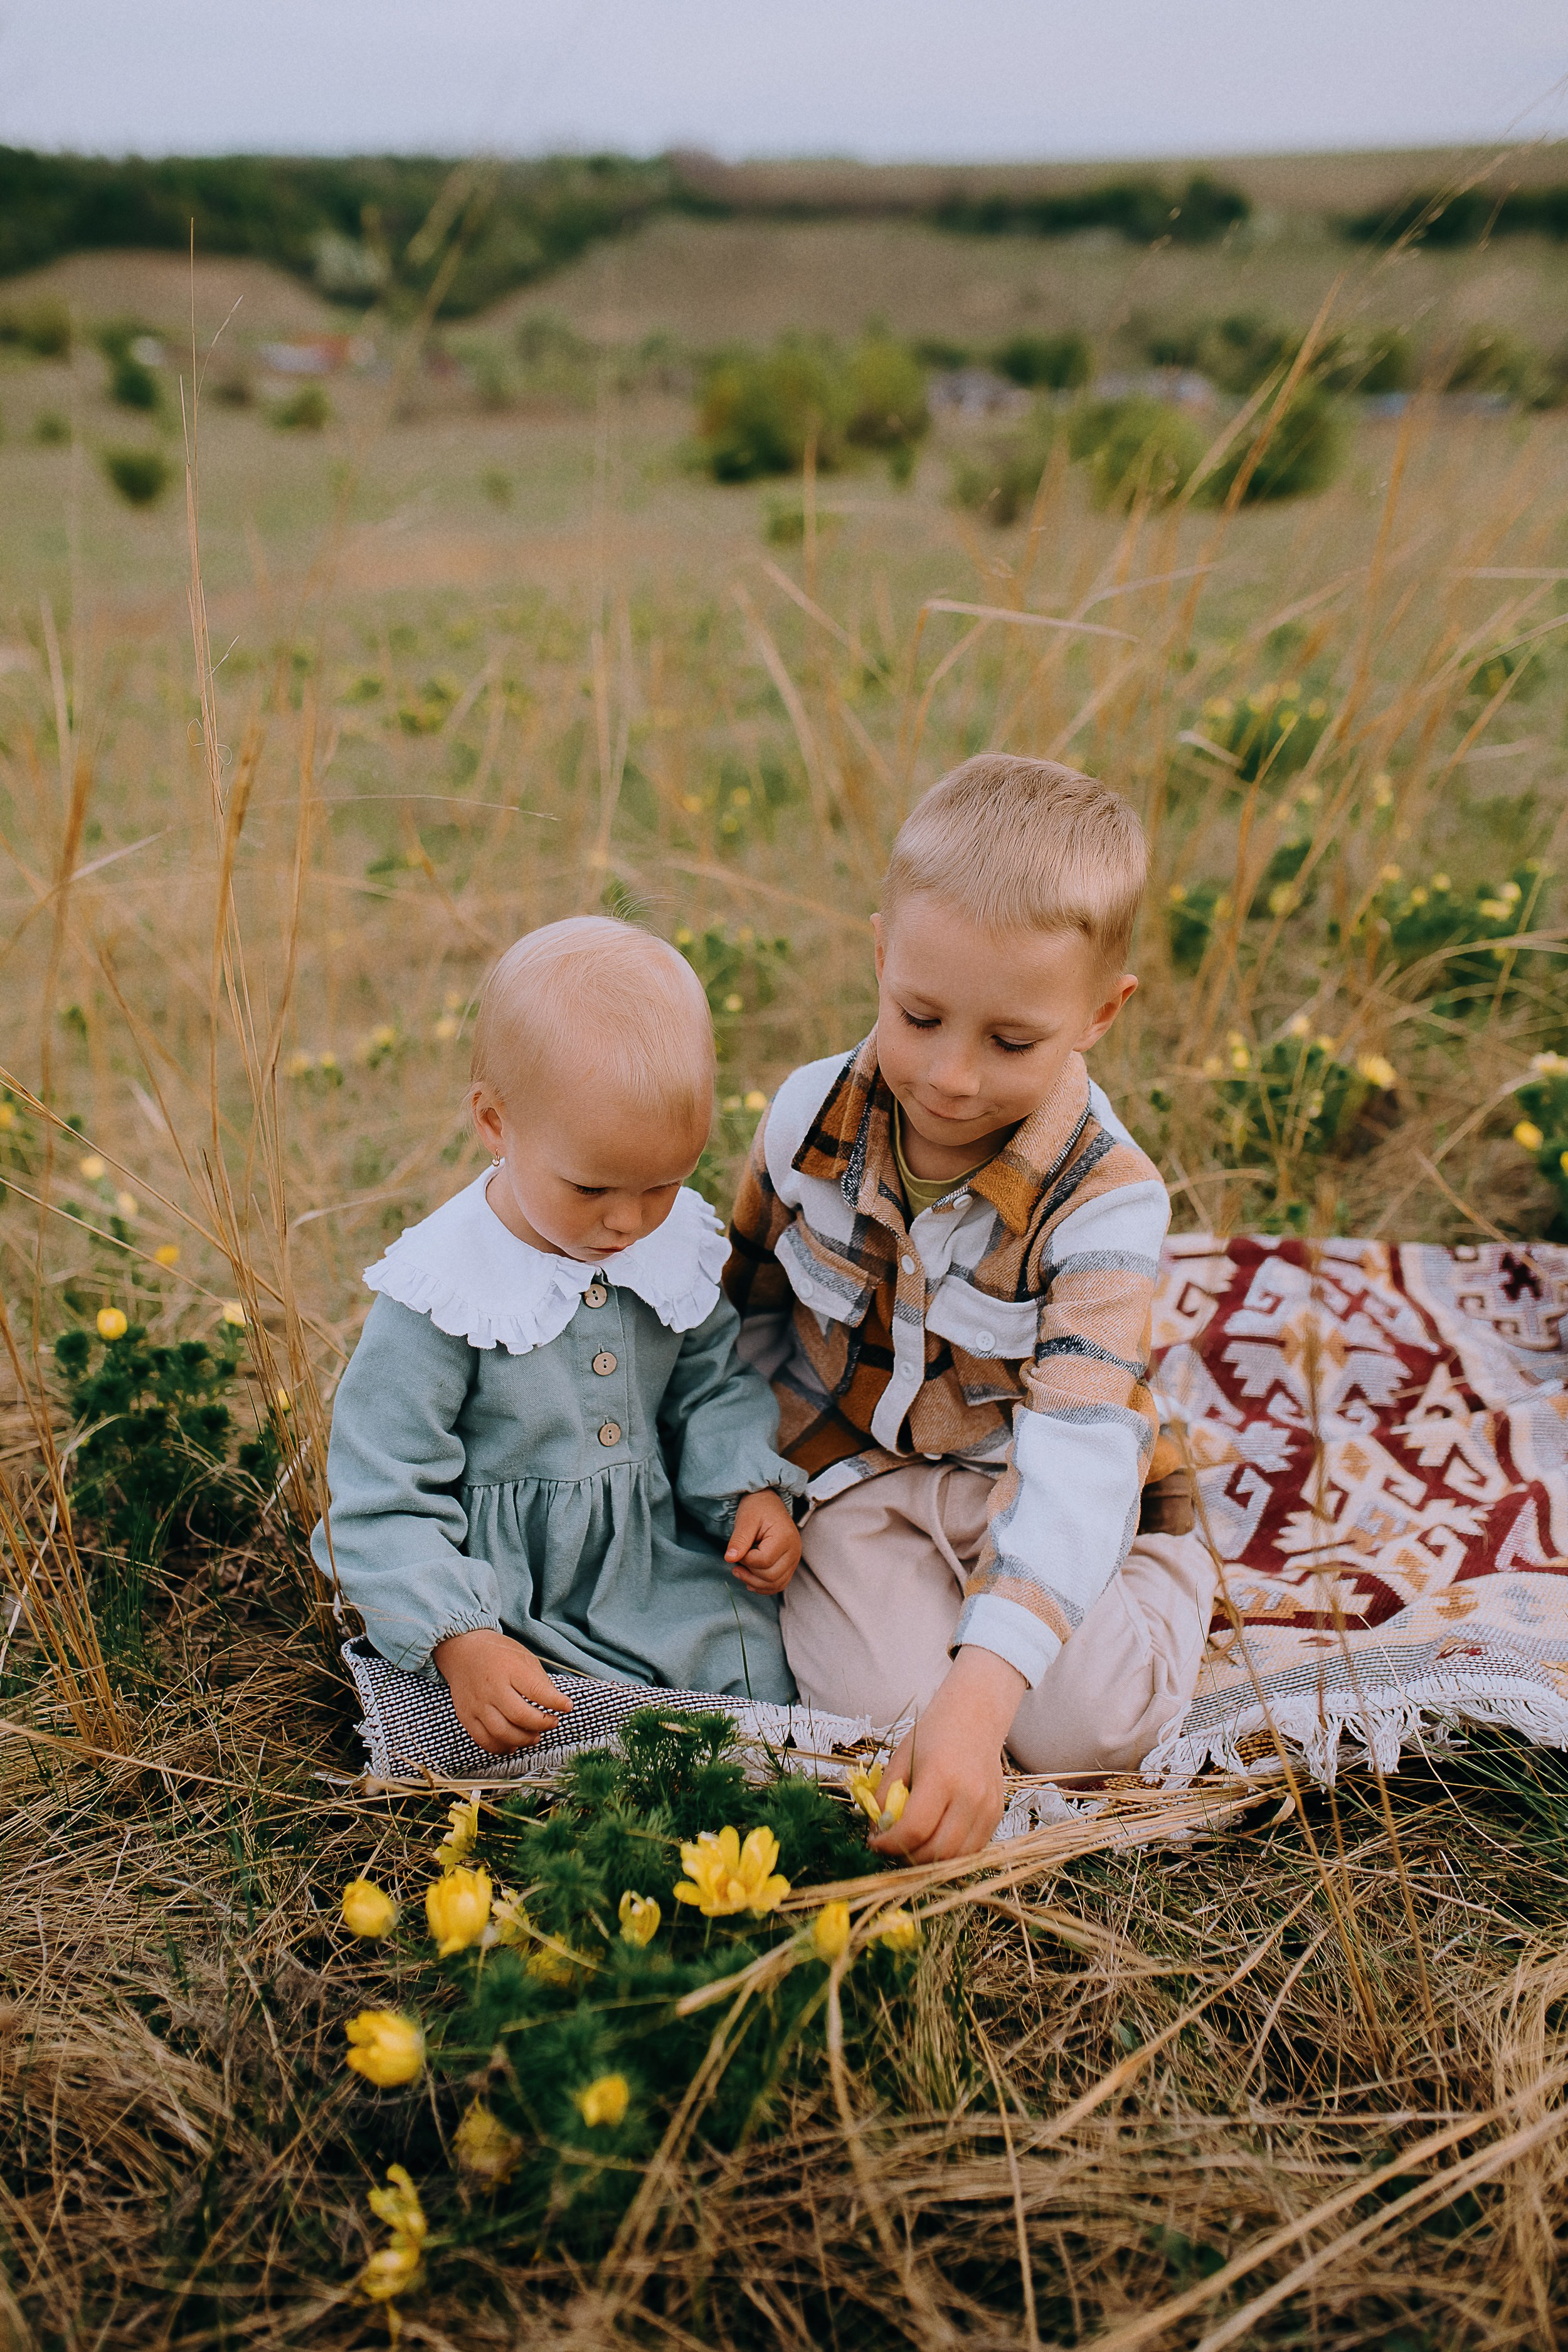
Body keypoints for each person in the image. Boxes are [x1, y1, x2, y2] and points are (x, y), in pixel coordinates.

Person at [724, 755, 1217, 1861]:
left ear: (1100, 1012)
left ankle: (1162, 1557)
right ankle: (948, 1652)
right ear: (881, 956)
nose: (949, 1076)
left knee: (1095, 1733)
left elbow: (1077, 1447)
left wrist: (988, 1688)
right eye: (920, 1014)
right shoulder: (809, 1122)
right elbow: (740, 1305)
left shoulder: (1107, 1200)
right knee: (879, 1729)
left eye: (1010, 1042)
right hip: (857, 1471)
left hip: (1030, 1475)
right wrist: (748, 1469)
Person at [312, 916, 804, 1754]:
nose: (627, 1221)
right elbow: (380, 1492)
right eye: (592, 1187)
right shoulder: (447, 1290)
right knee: (510, 1720)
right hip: (504, 1599)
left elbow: (712, 1384)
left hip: (651, 1569)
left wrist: (747, 1491)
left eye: (663, 1184)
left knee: (756, 1662)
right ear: (496, 1123)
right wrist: (459, 1633)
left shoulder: (666, 1247)